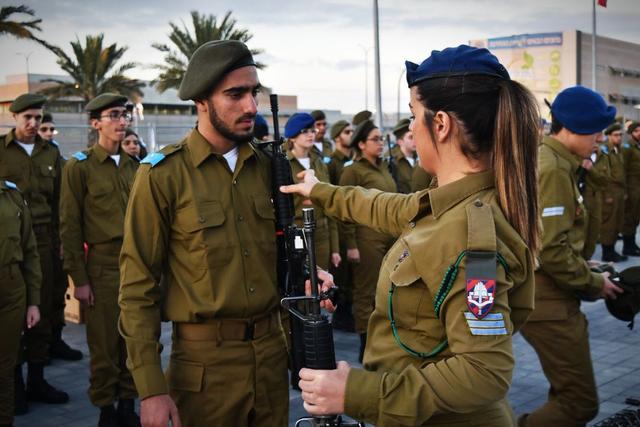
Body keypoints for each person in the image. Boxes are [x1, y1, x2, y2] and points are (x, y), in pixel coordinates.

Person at [280, 44, 539, 426]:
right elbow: (385, 206)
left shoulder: (469, 235)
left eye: (414, 115)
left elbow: (485, 372)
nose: (410, 130)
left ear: (441, 124)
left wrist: (354, 392)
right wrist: (319, 191)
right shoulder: (448, 203)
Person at [118, 40, 334, 427]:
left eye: (253, 92)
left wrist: (304, 275)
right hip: (205, 369)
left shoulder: (269, 168)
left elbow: (281, 250)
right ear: (202, 100)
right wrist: (151, 389)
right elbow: (137, 287)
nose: (250, 106)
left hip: (270, 358)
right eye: (235, 94)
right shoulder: (163, 175)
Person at [519, 86, 623, 426]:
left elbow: (551, 238)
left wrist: (585, 264)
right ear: (573, 128)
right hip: (548, 301)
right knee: (579, 402)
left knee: (567, 395)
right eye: (595, 131)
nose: (599, 139)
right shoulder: (551, 168)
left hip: (549, 293)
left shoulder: (558, 162)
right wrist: (595, 283)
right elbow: (550, 250)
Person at [60, 93, 140, 427]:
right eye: (114, 115)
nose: (122, 121)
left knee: (134, 341)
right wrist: (80, 280)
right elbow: (69, 226)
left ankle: (127, 404)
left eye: (124, 115)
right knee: (104, 346)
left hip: (135, 266)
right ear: (96, 123)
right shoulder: (79, 167)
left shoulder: (136, 167)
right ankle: (106, 409)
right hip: (102, 266)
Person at [0, 94, 70, 411]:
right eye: (27, 117)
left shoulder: (50, 153)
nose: (33, 123)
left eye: (38, 118)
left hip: (44, 240)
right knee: (11, 319)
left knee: (40, 308)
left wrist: (60, 241)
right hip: (11, 242)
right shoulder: (1, 153)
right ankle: (12, 385)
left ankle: (37, 379)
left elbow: (59, 203)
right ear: (13, 117)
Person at [338, 118, 397, 362]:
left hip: (389, 237)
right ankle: (365, 344)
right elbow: (343, 208)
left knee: (388, 290)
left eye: (382, 138)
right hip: (366, 238)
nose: (381, 143)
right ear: (361, 144)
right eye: (375, 139)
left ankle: (383, 340)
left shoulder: (383, 167)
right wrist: (351, 245)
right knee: (366, 292)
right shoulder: (353, 170)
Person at [37, 113, 83, 363]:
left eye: (51, 128)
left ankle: (54, 341)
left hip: (54, 236)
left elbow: (62, 200)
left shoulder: (55, 157)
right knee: (37, 296)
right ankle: (36, 350)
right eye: (45, 128)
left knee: (57, 290)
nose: (47, 132)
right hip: (27, 237)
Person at [0, 180, 41, 427]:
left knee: (4, 369)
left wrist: (33, 301)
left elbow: (30, 249)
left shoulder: (11, 194)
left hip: (11, 287)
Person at [285, 112, 340, 270]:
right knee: (301, 283)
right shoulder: (284, 164)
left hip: (321, 232)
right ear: (293, 137)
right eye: (304, 131)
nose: (310, 135)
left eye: (312, 130)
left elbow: (330, 204)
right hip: (297, 232)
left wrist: (335, 248)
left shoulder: (319, 162)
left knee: (323, 285)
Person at [327, 119, 356, 331]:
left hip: (351, 220)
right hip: (338, 221)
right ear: (337, 136)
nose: (351, 134)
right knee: (341, 273)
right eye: (347, 132)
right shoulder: (332, 163)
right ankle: (340, 315)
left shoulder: (350, 160)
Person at [600, 123, 627, 262]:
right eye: (616, 135)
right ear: (609, 136)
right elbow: (605, 176)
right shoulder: (605, 151)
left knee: (618, 222)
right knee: (609, 223)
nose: (619, 137)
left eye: (621, 135)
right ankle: (607, 252)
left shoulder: (618, 150)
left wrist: (624, 191)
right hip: (610, 192)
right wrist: (608, 195)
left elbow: (621, 173)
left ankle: (612, 250)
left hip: (619, 191)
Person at [581, 137, 610, 260]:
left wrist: (591, 169)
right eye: (593, 140)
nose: (595, 144)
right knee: (580, 232)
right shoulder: (578, 155)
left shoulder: (603, 157)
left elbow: (605, 180)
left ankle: (587, 260)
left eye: (598, 142)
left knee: (593, 232)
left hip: (596, 198)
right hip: (581, 198)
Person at [622, 121, 640, 255]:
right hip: (631, 187)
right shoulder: (627, 147)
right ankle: (627, 246)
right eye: (637, 131)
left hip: (638, 187)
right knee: (630, 217)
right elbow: (623, 169)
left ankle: (632, 244)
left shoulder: (637, 147)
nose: (639, 133)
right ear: (631, 133)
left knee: (636, 217)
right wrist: (625, 191)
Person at [392, 118, 417, 194]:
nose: (415, 140)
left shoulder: (420, 157)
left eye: (415, 136)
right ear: (400, 142)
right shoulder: (393, 162)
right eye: (411, 137)